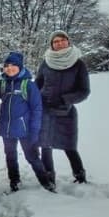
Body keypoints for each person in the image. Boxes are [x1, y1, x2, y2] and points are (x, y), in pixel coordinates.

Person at [0, 51, 55, 192]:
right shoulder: (2, 84)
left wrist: (35, 132)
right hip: (7, 128)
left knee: (32, 157)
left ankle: (46, 182)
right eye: (7, 65)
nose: (9, 68)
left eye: (13, 65)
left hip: (26, 130)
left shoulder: (28, 85)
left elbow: (37, 110)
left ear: (20, 67)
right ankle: (14, 181)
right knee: (10, 156)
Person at [36, 30, 90, 184]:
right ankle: (49, 177)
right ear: (52, 45)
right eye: (55, 41)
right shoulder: (46, 62)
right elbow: (38, 83)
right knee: (45, 145)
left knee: (69, 145)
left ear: (68, 41)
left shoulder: (78, 64)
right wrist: (33, 98)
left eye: (61, 40)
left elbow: (84, 91)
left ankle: (80, 176)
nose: (59, 43)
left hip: (66, 111)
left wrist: (66, 99)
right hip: (45, 110)